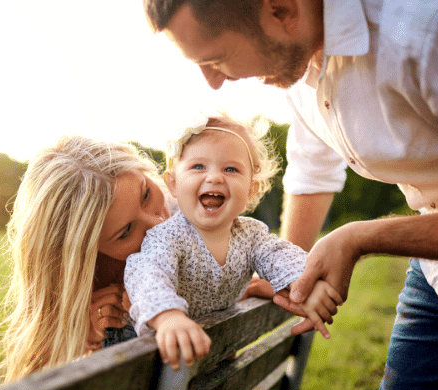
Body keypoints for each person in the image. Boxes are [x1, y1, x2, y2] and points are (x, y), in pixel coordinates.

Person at [142, 0, 438, 390]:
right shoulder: (299, 68)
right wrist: (288, 275)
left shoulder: (435, 35)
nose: (213, 82)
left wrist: (358, 237)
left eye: (217, 58)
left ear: (282, 11)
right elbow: (311, 170)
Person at [0, 133, 283, 384]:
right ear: (87, 254)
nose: (157, 222)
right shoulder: (88, 293)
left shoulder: (192, 218)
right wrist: (84, 338)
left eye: (145, 194)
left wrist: (237, 288)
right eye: (126, 231)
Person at [124, 111, 342, 370]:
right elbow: (147, 275)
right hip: (165, 362)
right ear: (172, 184)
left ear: (251, 190)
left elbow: (281, 256)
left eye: (231, 169)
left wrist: (304, 282)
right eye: (198, 166)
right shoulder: (166, 238)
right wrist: (168, 316)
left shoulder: (251, 236)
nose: (215, 177)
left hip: (213, 359)